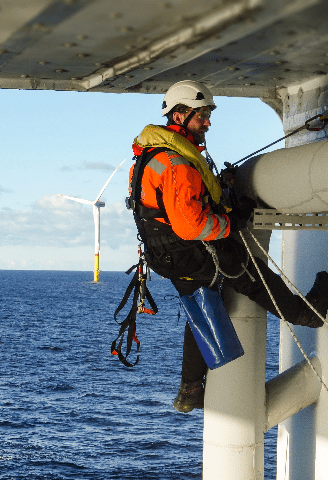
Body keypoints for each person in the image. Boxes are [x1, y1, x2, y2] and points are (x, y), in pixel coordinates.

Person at [128, 80, 328, 413]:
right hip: (194, 252)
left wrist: (220, 190)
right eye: (201, 115)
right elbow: (193, 224)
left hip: (165, 254)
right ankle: (306, 313)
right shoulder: (178, 163)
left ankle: (190, 389)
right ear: (179, 115)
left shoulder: (152, 156)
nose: (207, 122)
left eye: (207, 115)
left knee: (203, 307)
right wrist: (234, 221)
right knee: (255, 278)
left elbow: (173, 205)